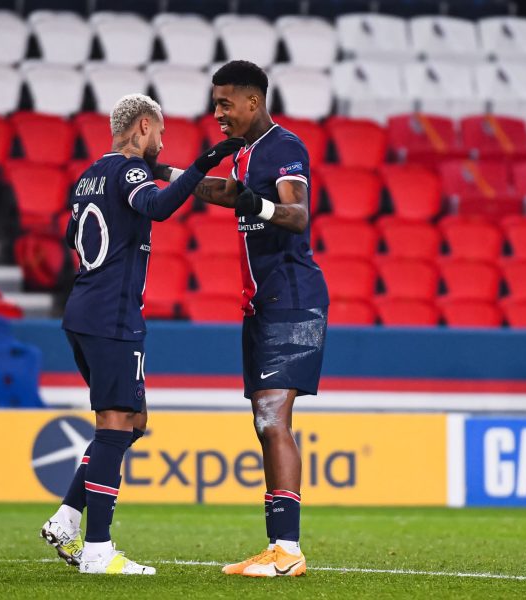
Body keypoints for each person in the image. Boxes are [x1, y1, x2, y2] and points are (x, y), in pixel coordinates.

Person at [39, 93, 244, 576]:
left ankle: (68, 516)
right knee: (114, 424)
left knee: (131, 422)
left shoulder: (88, 176)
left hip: (87, 309)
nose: (162, 143)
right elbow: (155, 205)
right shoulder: (129, 170)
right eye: (162, 134)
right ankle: (97, 549)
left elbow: (76, 236)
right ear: (144, 126)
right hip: (112, 316)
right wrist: (204, 161)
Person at [154, 61, 329, 578]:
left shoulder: (285, 147)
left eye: (226, 103)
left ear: (253, 101)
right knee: (264, 420)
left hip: (291, 300)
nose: (218, 113)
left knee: (273, 418)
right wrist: (171, 176)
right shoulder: (246, 154)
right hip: (262, 302)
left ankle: (287, 550)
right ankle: (278, 546)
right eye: (216, 103)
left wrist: (261, 204)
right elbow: (230, 196)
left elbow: (297, 216)